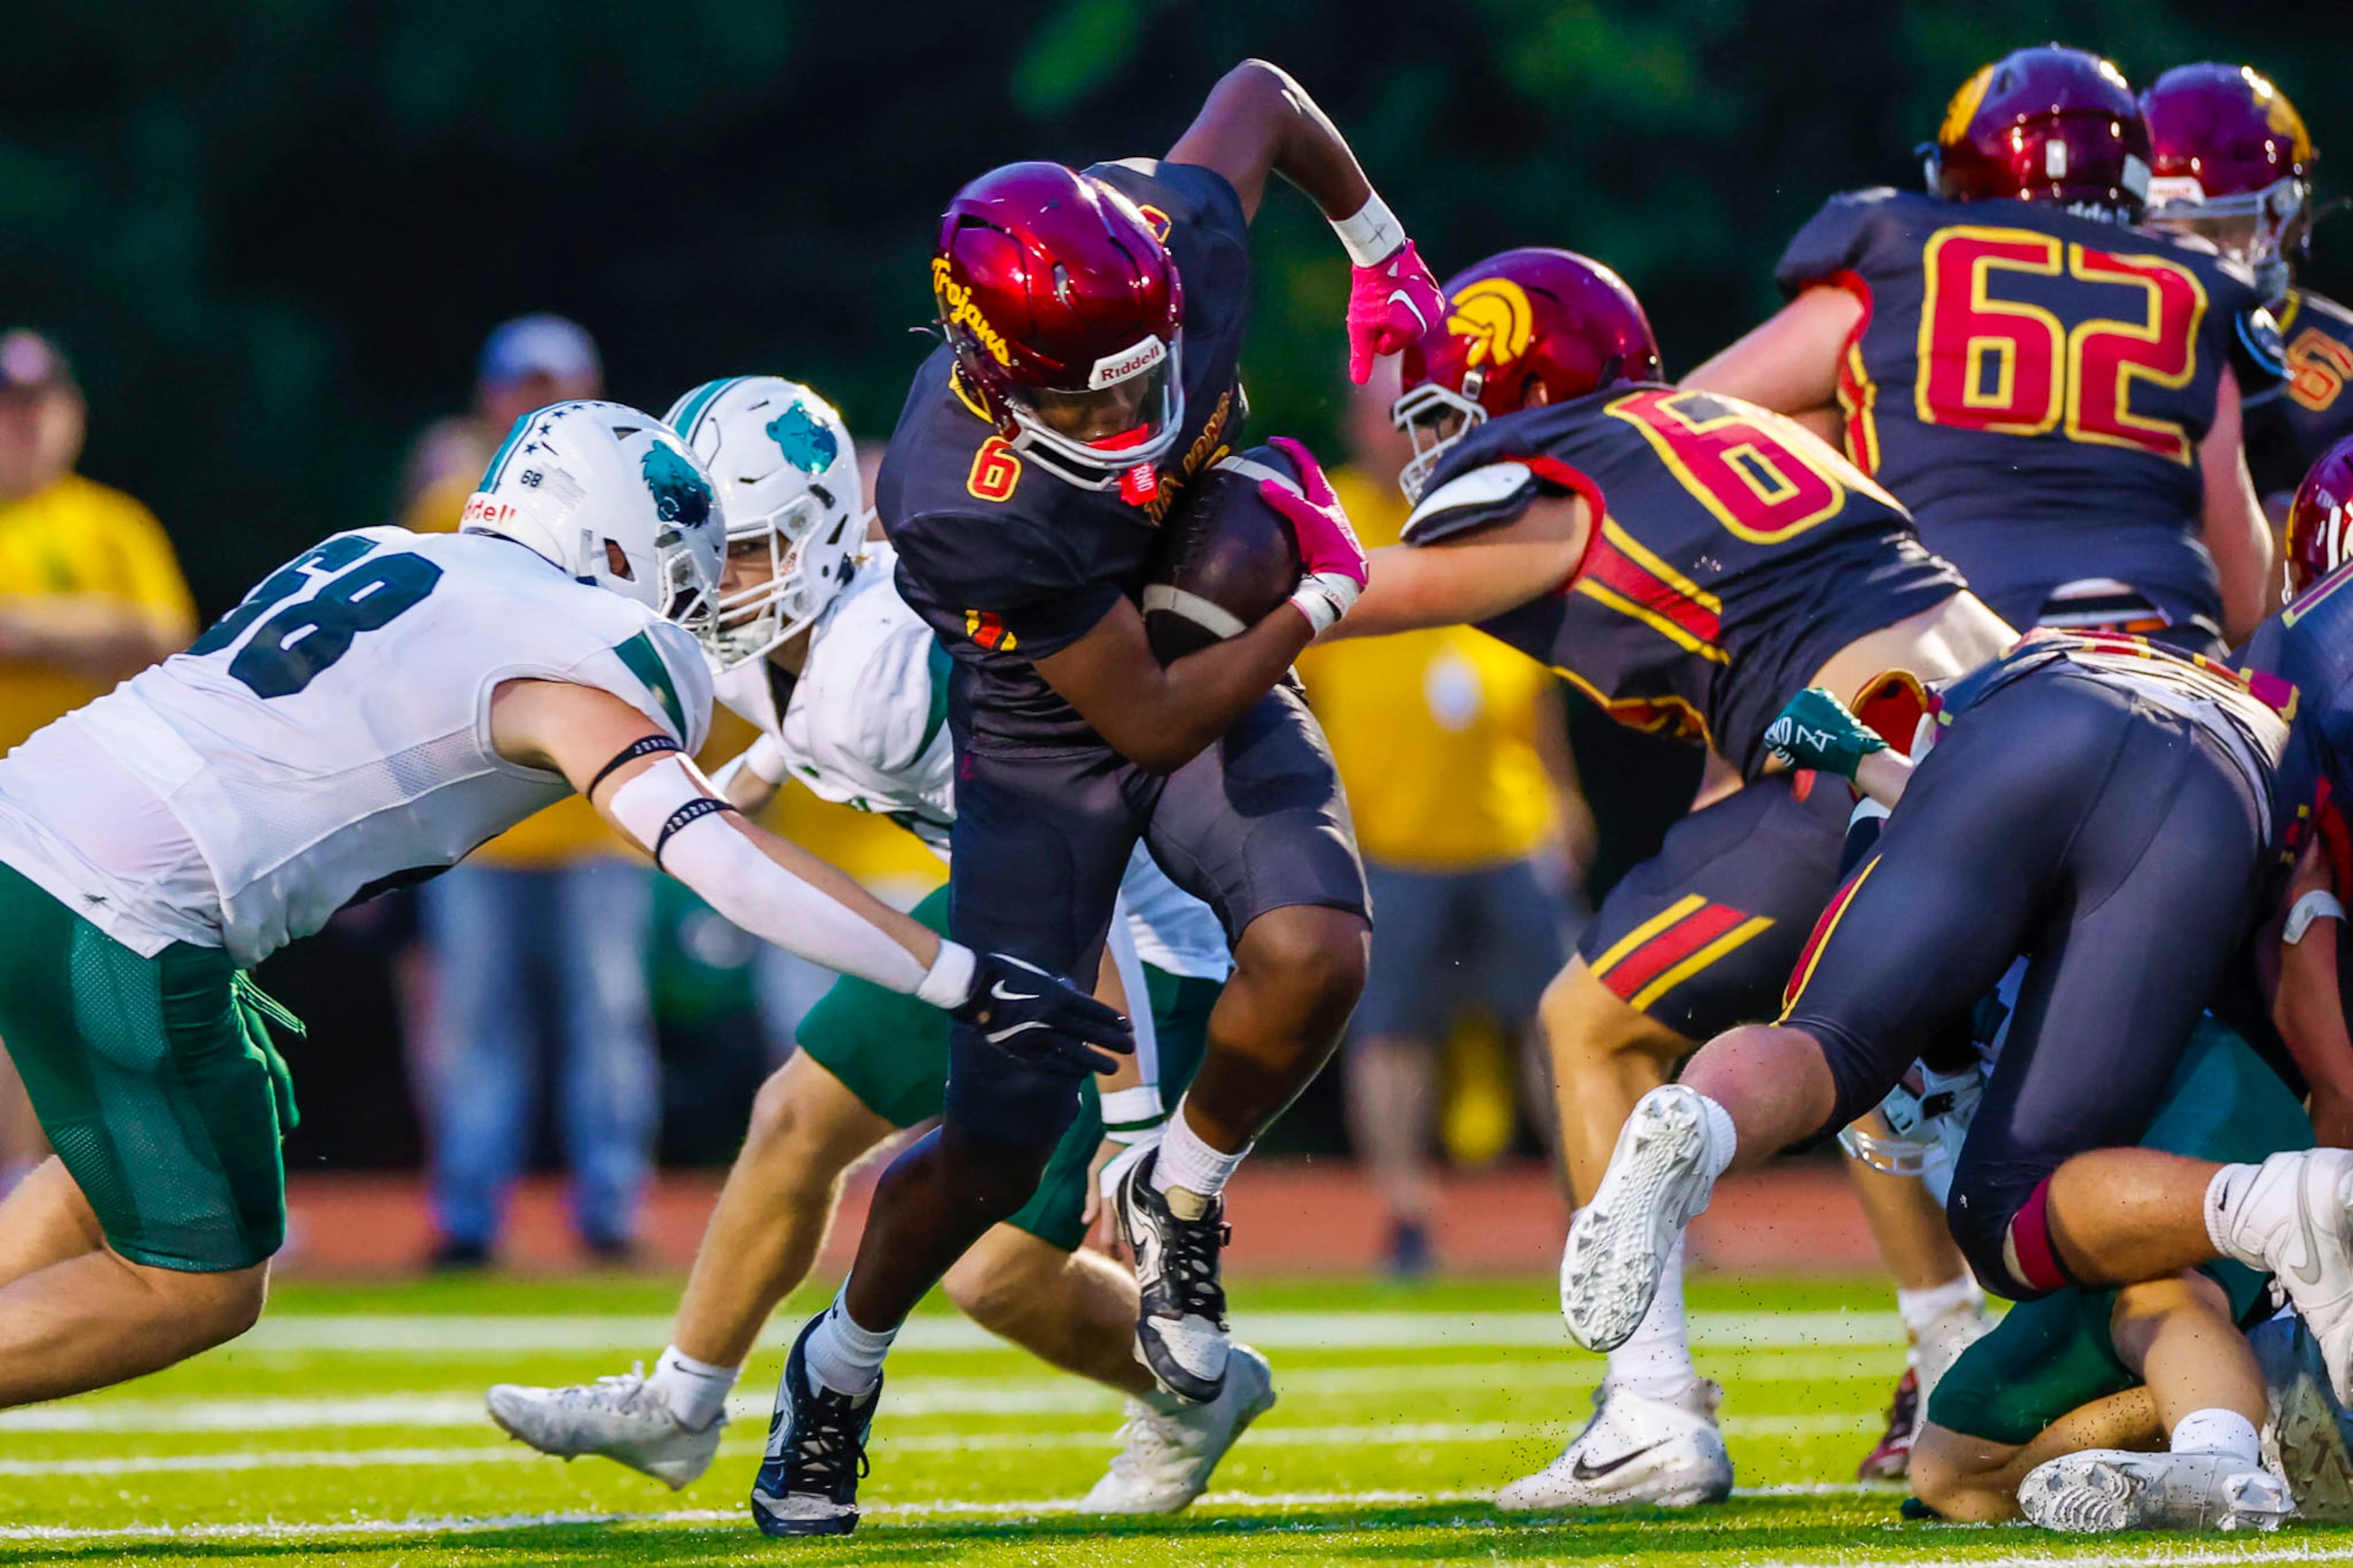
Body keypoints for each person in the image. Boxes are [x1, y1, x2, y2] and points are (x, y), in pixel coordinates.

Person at [0, 400, 1123, 1414]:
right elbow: (720, 861)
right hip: (123, 913)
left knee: (140, 1173)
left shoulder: (385, 546)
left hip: (34, 825)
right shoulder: (574, 645)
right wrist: (959, 976)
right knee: (196, 1283)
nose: (691, 587)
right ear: (617, 532)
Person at [756, 58, 1435, 1537]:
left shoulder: (1168, 244)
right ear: (988, 363)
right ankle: (836, 1366)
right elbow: (1140, 711)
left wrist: (1384, 251)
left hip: (1194, 632)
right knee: (997, 1138)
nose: (1131, 401)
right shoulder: (952, 495)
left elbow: (1257, 98)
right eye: (1088, 385)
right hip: (1054, 728)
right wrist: (1318, 597)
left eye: (1142, 363)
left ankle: (1179, 1195)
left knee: (1316, 947)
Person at [483, 377, 1265, 1515]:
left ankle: (1209, 1392)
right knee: (795, 1113)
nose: (719, 578)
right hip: (1013, 907)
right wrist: (744, 779)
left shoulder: (884, 663)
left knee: (999, 1279)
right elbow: (803, 736)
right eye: (707, 546)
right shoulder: (794, 644)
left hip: (1143, 938)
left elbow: (1076, 850)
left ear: (818, 535)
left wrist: (1139, 1118)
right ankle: (681, 1403)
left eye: (747, 551)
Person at [1319, 242, 2017, 1508]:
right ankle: (1967, 1348)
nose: (1434, 448)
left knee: (1588, 1025)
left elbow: (1345, 594)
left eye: (1453, 413)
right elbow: (1740, 723)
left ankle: (1650, 1410)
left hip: (1866, 736)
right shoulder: (1729, 432)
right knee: (1847, 1021)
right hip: (2015, 711)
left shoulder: (1563, 481)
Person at [1558, 618, 2335, 1532]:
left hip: (2194, 1070)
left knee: (1854, 1066)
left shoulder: (1961, 842)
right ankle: (2222, 1442)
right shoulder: (2271, 707)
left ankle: (1701, 1111)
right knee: (1948, 1465)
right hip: (2195, 768)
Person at [1761, 681, 2316, 1531]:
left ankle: (2222, 1453)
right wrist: (1860, 762)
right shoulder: (1947, 881)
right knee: (1952, 1471)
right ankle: (2242, 1414)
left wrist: (1863, 760)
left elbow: (1963, 832)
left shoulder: (1984, 866)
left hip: (2183, 1094)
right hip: (2141, 1116)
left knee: (2151, 1287)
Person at [1683, 44, 2279, 655]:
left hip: (1959, 648)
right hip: (2165, 647)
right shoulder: (2191, 294)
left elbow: (1684, 417)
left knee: (1816, 424)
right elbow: (2244, 598)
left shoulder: (1905, 260)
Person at [1294, 361, 1583, 1274]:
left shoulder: (1484, 504)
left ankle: (1596, 1209)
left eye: (1420, 417)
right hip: (1385, 836)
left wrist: (1563, 790)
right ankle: (1409, 1216)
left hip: (1513, 823)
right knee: (1390, 1033)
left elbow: (1535, 673)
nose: (1405, 437)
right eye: (1388, 417)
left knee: (1565, 1023)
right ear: (1354, 423)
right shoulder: (1323, 514)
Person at [392, 316, 662, 1265]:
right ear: (491, 396)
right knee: (476, 1024)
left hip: (594, 811)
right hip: (480, 818)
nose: (539, 401)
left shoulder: (630, 495)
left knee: (606, 1017)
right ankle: (468, 1214)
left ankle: (612, 1207)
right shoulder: (451, 492)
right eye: (524, 385)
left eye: (556, 384)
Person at [0, 329, 200, 1194]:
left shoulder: (113, 522)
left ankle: (119, 1181)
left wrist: (28, 627)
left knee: (104, 993)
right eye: (9, 410)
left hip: (94, 806)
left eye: (39, 407)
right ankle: (26, 1180)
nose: (25, 427)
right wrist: (90, 630)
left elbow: (165, 640)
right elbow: (126, 632)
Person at [2140, 63, 2353, 523]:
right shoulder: (2098, 330)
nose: (2193, 255)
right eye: (2163, 229)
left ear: (2289, 217)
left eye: (2221, 230)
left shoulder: (2342, 364)